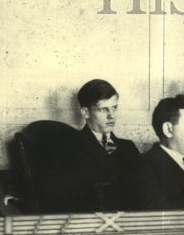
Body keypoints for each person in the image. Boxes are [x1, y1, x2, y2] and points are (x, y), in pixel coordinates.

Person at [58, 79, 141, 212]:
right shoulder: (70, 148)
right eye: (103, 110)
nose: (112, 116)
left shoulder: (128, 147)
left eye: (114, 108)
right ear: (85, 113)